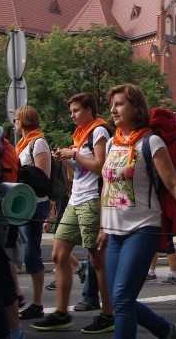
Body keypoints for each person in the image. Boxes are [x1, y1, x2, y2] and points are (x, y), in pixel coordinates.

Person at [98, 83, 176, 339]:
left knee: (121, 298)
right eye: (112, 105)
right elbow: (106, 186)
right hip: (113, 231)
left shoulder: (151, 142)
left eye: (119, 104)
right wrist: (101, 226)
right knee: (119, 298)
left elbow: (174, 183)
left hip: (141, 229)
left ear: (136, 107)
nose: (113, 110)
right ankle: (169, 332)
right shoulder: (111, 144)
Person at [32, 93, 114, 333]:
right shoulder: (80, 135)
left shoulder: (99, 131)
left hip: (91, 201)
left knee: (97, 260)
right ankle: (61, 313)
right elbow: (77, 173)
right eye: (71, 111)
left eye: (76, 110)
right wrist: (67, 159)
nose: (72, 115)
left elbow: (101, 167)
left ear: (89, 109)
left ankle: (108, 313)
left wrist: (74, 154)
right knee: (58, 255)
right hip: (75, 198)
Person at [13, 105, 52, 321]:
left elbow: (41, 180)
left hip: (35, 205)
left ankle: (37, 303)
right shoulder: (22, 145)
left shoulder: (39, 143)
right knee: (11, 251)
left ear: (24, 121)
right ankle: (16, 295)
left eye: (16, 119)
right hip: (20, 205)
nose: (15, 123)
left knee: (31, 254)